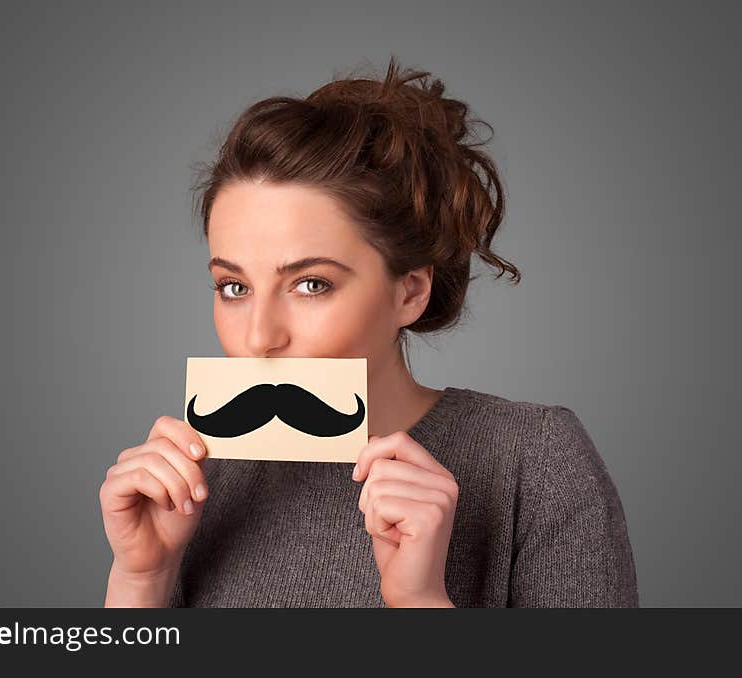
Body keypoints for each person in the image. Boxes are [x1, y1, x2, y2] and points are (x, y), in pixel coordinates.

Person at [99, 56, 639, 608]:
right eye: (234, 287)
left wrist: (420, 600)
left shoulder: (535, 460)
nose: (260, 337)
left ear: (410, 292)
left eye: (311, 284)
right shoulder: (196, 487)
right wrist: (142, 578)